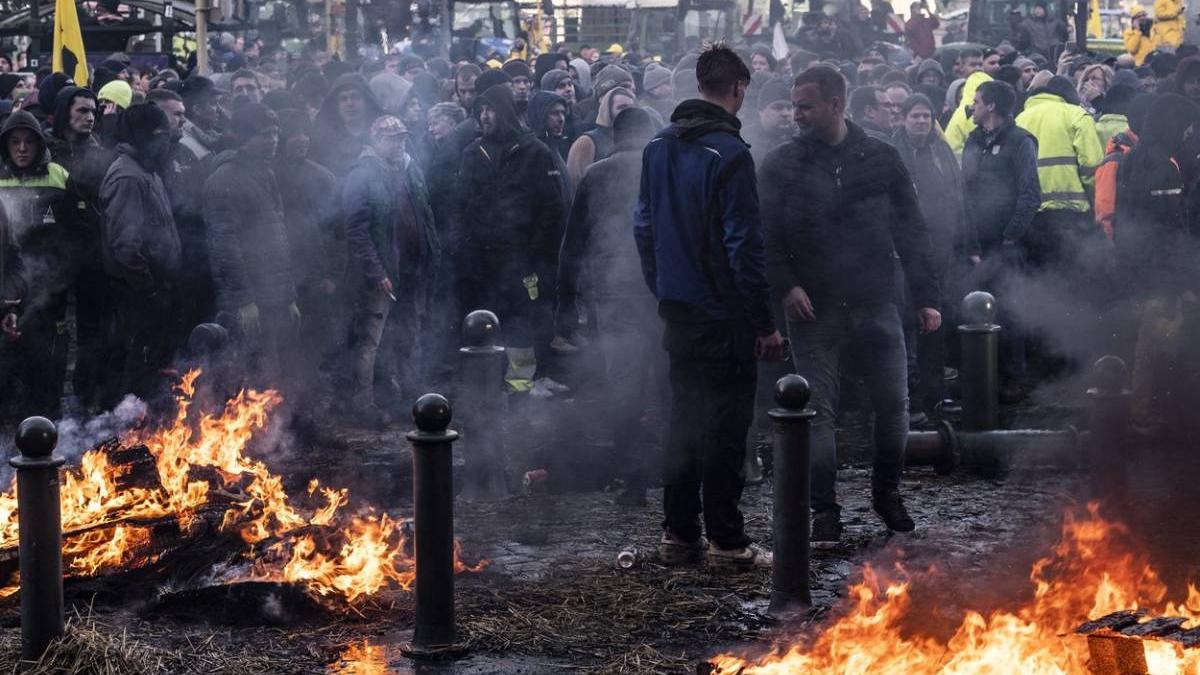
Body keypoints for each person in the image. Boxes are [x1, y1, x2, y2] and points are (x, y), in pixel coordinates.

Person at [760, 65, 939, 544]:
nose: (796, 115)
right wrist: (787, 287)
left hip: (877, 302)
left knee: (894, 407)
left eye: (805, 106)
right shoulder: (781, 164)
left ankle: (887, 493)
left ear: (836, 105)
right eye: (794, 106)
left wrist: (927, 297)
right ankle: (825, 511)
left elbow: (911, 228)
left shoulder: (881, 157)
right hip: (814, 310)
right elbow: (766, 236)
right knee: (818, 413)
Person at [636, 44, 783, 569]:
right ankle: (727, 542)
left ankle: (678, 535)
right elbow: (744, 247)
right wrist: (764, 322)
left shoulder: (657, 146)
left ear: (698, 84)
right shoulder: (732, 154)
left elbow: (644, 228)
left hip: (679, 311)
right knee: (725, 429)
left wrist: (664, 287)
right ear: (738, 89)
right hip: (724, 318)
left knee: (684, 422)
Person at [557, 107, 662, 505]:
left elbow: (573, 244)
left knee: (624, 387)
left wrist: (564, 306)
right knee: (669, 385)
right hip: (662, 295)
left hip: (613, 295)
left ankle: (631, 480)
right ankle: (674, 474)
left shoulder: (597, 173)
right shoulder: (662, 170)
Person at [456, 83, 567, 386]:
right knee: (486, 324)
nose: (484, 116)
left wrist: (532, 255)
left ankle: (520, 387)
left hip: (523, 261)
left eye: (490, 109)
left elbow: (551, 209)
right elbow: (462, 207)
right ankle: (489, 388)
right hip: (482, 262)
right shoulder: (472, 153)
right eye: (480, 111)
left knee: (522, 325)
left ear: (503, 111)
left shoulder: (534, 152)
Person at [342, 115, 439, 423]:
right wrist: (377, 272)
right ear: (376, 141)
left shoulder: (412, 169)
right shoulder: (362, 175)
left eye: (401, 138)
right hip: (382, 275)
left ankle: (407, 393)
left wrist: (430, 257)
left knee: (409, 332)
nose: (398, 144)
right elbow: (356, 230)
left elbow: (426, 215)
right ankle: (362, 403)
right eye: (391, 138)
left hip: (411, 268)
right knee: (372, 340)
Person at [203, 103, 302, 394]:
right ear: (243, 137)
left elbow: (277, 240)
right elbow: (224, 247)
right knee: (254, 372)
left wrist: (289, 296)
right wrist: (244, 300)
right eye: (264, 134)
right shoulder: (225, 180)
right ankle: (255, 439)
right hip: (250, 297)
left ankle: (280, 436)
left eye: (274, 133)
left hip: (275, 294)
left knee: (279, 370)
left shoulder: (265, 174)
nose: (272, 139)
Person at [1114, 94, 1197, 431]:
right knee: (1153, 343)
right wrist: (1178, 281)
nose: (1190, 133)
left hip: (1137, 264)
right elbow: (1168, 229)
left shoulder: (1132, 159)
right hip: (1159, 272)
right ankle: (1142, 411)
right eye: (1187, 127)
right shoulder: (1164, 167)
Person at [893, 93, 976, 421]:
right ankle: (908, 399)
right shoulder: (892, 151)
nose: (921, 122)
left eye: (926, 116)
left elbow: (960, 199)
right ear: (903, 118)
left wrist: (969, 245)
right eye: (915, 116)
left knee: (936, 322)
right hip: (902, 253)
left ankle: (935, 395)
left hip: (940, 250)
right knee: (905, 326)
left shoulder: (941, 151)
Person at [99, 103, 182, 401]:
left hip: (156, 287)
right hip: (136, 293)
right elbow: (125, 246)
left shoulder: (150, 171)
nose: (166, 140)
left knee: (152, 364)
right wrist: (148, 290)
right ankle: (125, 434)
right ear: (142, 136)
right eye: (159, 134)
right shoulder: (128, 177)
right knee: (134, 367)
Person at [962, 81, 1041, 392]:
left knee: (1010, 310)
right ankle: (982, 379)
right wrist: (969, 241)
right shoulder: (973, 140)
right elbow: (963, 193)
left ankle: (1013, 380)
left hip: (1007, 246)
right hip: (975, 245)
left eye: (977, 101)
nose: (972, 106)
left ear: (991, 106)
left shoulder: (1020, 141)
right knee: (973, 312)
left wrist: (1010, 237)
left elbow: (1030, 194)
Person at [45, 85, 115, 411]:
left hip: (92, 254)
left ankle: (86, 395)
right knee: (55, 331)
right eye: (82, 111)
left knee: (91, 329)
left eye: (93, 111)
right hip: (54, 255)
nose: (90, 117)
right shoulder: (46, 152)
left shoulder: (101, 154)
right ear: (65, 114)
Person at [273, 109, 343, 368]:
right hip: (281, 273)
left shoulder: (323, 177)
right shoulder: (270, 175)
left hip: (316, 274)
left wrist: (334, 275)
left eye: (305, 134)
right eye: (294, 134)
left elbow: (339, 231)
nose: (301, 139)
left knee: (314, 342)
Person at [1016, 75, 1104, 277]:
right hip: (1072, 217)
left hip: (1032, 217)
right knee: (1072, 282)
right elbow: (1091, 163)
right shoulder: (1076, 115)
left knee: (1041, 282)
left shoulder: (1021, 118)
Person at [311, 74, 384, 178]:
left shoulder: (383, 132)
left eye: (355, 97)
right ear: (336, 105)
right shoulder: (324, 140)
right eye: (343, 99)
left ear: (366, 101)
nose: (350, 103)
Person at [566, 86, 635, 187]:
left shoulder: (637, 139)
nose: (628, 112)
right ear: (608, 111)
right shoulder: (587, 143)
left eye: (631, 108)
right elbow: (576, 185)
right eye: (621, 107)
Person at [744, 78, 795, 164]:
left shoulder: (800, 139)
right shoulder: (746, 142)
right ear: (761, 111)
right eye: (778, 108)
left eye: (790, 108)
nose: (785, 113)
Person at [527, 90, 575, 162]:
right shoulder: (532, 152)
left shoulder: (561, 145)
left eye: (563, 112)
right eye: (554, 113)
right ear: (540, 115)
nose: (561, 119)